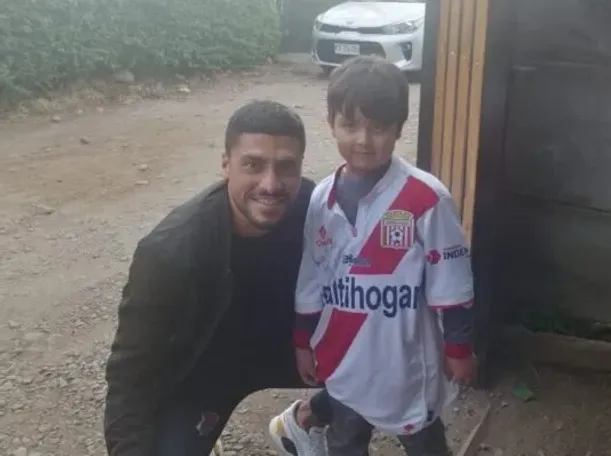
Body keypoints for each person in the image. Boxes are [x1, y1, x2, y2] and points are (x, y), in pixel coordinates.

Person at [270, 56, 476, 456]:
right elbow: (312, 278)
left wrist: (459, 347)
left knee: (424, 443)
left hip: (405, 362)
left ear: (399, 129)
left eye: (378, 127)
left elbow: (451, 283)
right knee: (346, 440)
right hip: (344, 357)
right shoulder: (321, 198)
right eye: (350, 125)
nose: (363, 140)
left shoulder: (425, 198)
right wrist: (302, 340)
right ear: (331, 123)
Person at [103, 99, 330, 456]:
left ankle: (306, 421)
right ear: (226, 165)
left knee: (383, 363)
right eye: (253, 165)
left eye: (285, 167)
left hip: (290, 349)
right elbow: (130, 375)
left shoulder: (314, 211)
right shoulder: (171, 253)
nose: (271, 184)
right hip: (206, 369)